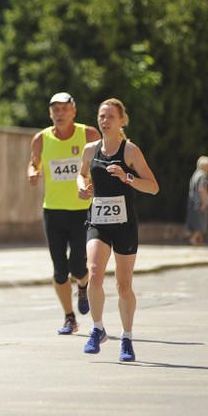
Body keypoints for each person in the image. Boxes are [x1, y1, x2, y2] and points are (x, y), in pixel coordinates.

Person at [77, 98, 159, 362]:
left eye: (111, 116)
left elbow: (153, 186)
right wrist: (83, 187)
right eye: (102, 116)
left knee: (123, 285)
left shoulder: (130, 151)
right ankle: (98, 329)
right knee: (93, 273)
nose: (105, 121)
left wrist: (128, 178)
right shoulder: (91, 150)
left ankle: (127, 337)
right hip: (98, 221)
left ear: (122, 120)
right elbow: (82, 174)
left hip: (124, 225)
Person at [28, 92, 101, 336]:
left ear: (73, 111)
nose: (59, 114)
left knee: (78, 267)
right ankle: (70, 318)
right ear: (50, 113)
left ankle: (83, 284)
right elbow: (34, 163)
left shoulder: (88, 135)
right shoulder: (41, 139)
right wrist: (32, 172)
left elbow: (102, 162)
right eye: (54, 110)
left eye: (63, 109)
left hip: (83, 210)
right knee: (59, 270)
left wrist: (94, 185)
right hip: (53, 211)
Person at [185, 156, 208, 246]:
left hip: (193, 202)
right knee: (200, 223)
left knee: (197, 222)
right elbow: (202, 189)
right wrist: (204, 203)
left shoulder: (195, 175)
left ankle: (199, 241)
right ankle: (193, 240)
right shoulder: (203, 176)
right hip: (199, 203)